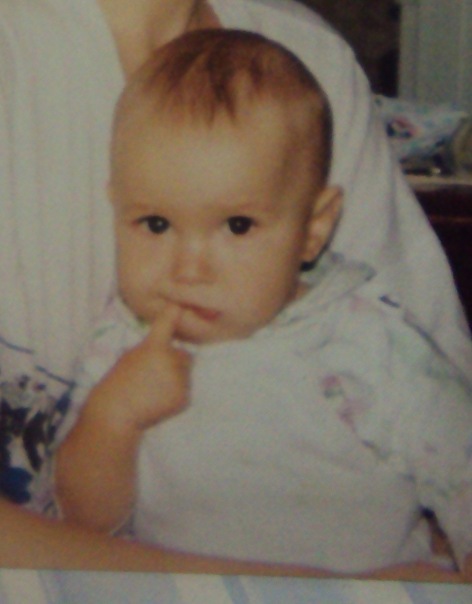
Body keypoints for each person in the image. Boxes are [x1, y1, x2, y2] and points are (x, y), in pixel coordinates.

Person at [0, 0, 470, 578]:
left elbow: (457, 462)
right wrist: (112, 421)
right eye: (156, 224)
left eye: (239, 226)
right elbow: (83, 516)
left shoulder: (365, 334)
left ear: (315, 229)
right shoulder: (124, 343)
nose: (190, 269)